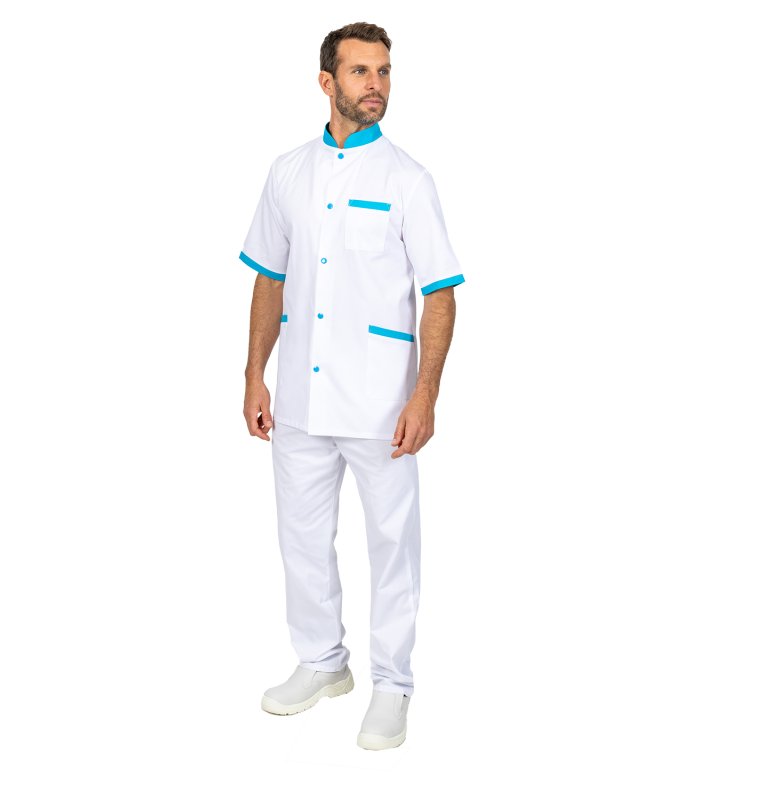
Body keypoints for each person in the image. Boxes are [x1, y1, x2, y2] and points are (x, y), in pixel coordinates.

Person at [240, 21, 464, 752]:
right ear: (326, 82)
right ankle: (322, 663)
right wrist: (255, 375)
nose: (376, 84)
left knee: (392, 543)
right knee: (302, 536)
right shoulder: (286, 172)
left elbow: (440, 293)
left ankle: (392, 684)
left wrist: (425, 394)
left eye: (384, 71)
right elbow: (268, 280)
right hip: (299, 398)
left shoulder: (408, 179)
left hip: (381, 401)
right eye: (361, 71)